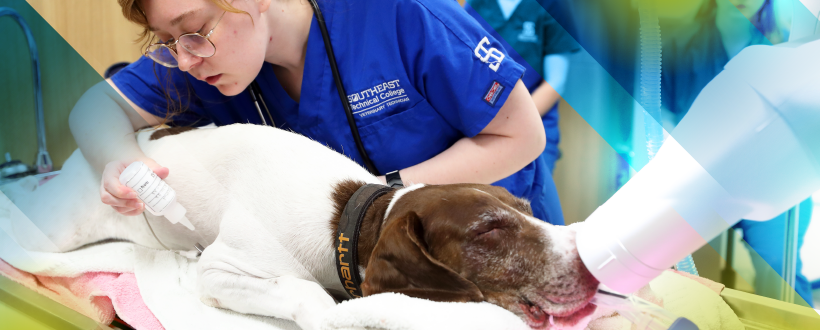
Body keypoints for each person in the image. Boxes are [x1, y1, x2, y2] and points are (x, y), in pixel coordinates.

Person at [68, 0, 567, 226]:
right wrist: (122, 162)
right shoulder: (200, 58)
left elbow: (521, 138)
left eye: (194, 29)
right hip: (378, 262)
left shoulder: (401, 14)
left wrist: (380, 195)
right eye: (169, 41)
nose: (183, 60)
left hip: (499, 229)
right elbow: (95, 108)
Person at [650, 0, 814, 305]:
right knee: (672, 272)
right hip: (700, 180)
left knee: (781, 276)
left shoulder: (792, 42)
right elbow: (665, 117)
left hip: (774, 180)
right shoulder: (678, 42)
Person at [464, 0, 581, 173]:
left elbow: (556, 83)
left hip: (532, 123)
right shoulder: (476, 4)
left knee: (529, 194)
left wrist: (509, 124)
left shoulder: (553, 6)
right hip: (481, 125)